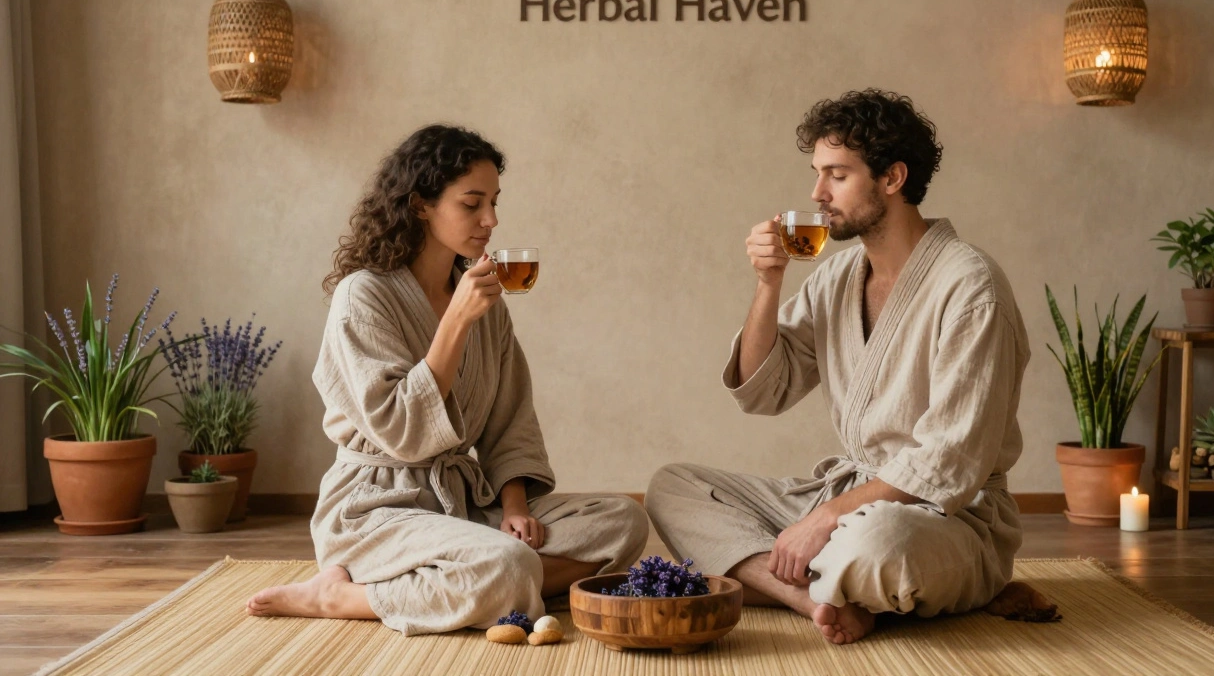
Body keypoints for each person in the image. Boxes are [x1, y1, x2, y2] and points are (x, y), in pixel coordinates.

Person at [646, 89, 1032, 645]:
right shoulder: (839, 276)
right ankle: (812, 597)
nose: (816, 193)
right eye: (816, 173)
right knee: (672, 487)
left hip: (943, 516)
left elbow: (950, 462)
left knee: (876, 545)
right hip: (852, 494)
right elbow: (764, 390)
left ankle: (852, 572)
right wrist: (768, 282)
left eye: (836, 174)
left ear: (892, 179)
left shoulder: (971, 288)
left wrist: (823, 521)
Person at [246, 124, 649, 635]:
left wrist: (514, 507)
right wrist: (456, 321)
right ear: (420, 206)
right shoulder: (363, 296)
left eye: (495, 203)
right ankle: (342, 596)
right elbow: (402, 431)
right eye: (472, 203)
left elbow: (510, 419)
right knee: (509, 565)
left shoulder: (482, 297)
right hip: (376, 508)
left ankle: (484, 583)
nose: (491, 220)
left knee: (622, 521)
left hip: (461, 506)